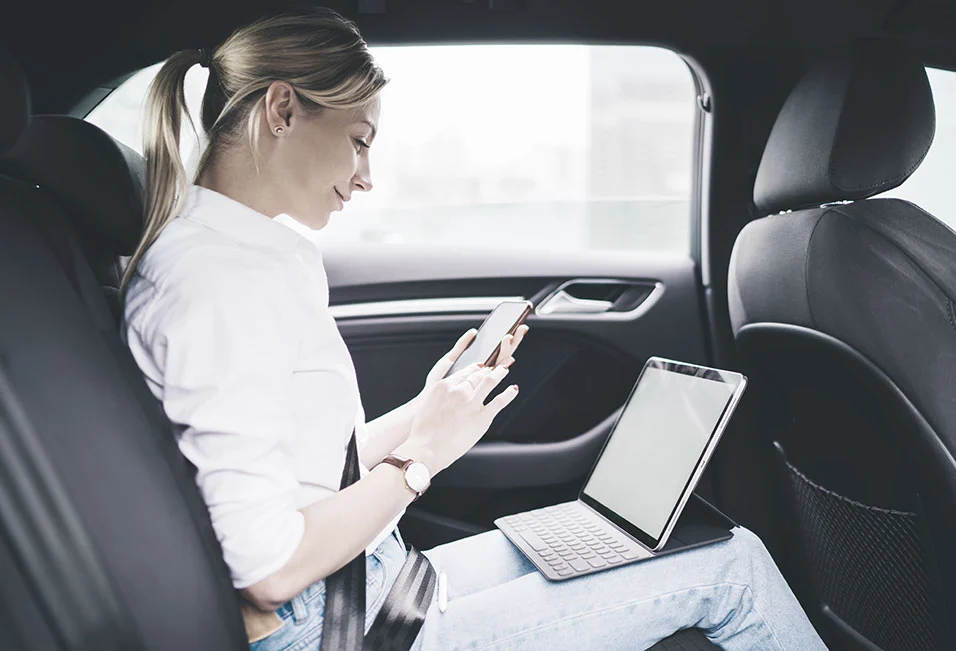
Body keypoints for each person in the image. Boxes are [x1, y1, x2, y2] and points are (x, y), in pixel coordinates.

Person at [122, 7, 828, 650]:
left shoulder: (250, 257)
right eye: (359, 140)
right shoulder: (214, 285)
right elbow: (268, 566)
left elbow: (306, 473)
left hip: (370, 579)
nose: (366, 176)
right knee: (732, 567)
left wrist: (425, 413)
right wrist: (419, 460)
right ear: (281, 108)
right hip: (330, 624)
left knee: (620, 540)